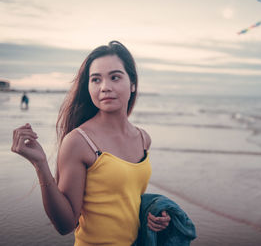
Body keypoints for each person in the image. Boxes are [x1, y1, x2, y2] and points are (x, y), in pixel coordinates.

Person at [11, 41, 170, 245]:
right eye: (96, 79)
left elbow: (127, 200)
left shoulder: (143, 138)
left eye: (115, 77)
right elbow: (65, 224)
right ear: (88, 87)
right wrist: (40, 165)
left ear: (133, 84)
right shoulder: (79, 142)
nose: (105, 87)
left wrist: (152, 213)